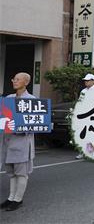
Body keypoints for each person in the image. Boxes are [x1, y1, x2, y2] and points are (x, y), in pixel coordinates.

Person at [0, 73, 36, 211]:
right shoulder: (8, 99)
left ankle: (18, 199)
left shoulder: (32, 100)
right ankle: (11, 198)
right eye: (13, 79)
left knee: (21, 172)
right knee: (12, 172)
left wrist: (20, 128)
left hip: (21, 142)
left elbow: (35, 123)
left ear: (26, 82)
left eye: (17, 79)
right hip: (8, 142)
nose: (14, 81)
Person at [75, 73, 94, 159]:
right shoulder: (83, 91)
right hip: (84, 116)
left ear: (92, 81)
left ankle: (93, 152)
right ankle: (83, 152)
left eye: (88, 80)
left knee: (93, 135)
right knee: (83, 134)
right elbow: (80, 103)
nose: (86, 82)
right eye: (85, 81)